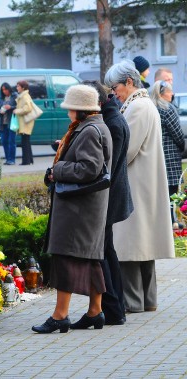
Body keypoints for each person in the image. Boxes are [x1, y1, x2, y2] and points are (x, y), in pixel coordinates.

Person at [32, 84, 112, 333]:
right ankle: (95, 311)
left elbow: (89, 168)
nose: (67, 113)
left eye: (69, 108)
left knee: (65, 257)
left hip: (79, 208)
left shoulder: (89, 130)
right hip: (87, 207)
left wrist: (58, 170)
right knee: (90, 259)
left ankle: (60, 316)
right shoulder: (95, 126)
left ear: (80, 109)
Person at [104, 60, 175, 314]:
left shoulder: (137, 107)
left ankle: (133, 302)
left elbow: (127, 149)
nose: (114, 93)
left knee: (131, 247)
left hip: (135, 183)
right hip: (144, 183)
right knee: (143, 247)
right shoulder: (143, 104)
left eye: (115, 87)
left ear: (129, 82)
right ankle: (148, 300)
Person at [83, 80, 134, 326]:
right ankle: (116, 308)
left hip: (108, 196)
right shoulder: (113, 117)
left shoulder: (111, 123)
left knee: (103, 253)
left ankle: (112, 308)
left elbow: (106, 167)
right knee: (107, 251)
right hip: (112, 193)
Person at [149, 80, 184, 229]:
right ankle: (171, 222)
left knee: (158, 192)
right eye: (170, 92)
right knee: (171, 192)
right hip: (170, 157)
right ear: (163, 94)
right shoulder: (167, 109)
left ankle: (163, 222)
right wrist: (182, 146)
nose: (172, 94)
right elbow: (177, 134)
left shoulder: (151, 108)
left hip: (155, 155)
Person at [13, 80, 35, 165]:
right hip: (25, 122)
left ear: (23, 87)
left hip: (26, 122)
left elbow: (28, 108)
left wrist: (17, 111)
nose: (17, 88)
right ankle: (30, 160)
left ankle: (26, 161)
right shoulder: (23, 95)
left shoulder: (25, 96)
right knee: (26, 141)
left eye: (18, 86)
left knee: (25, 142)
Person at [0, 82, 17, 165]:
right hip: (3, 123)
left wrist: (10, 107)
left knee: (12, 141)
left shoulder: (14, 96)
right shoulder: (2, 98)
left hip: (11, 122)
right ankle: (8, 159)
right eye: (3, 90)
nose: (4, 91)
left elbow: (19, 106)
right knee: (4, 141)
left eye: (5, 89)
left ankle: (12, 159)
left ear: (9, 89)